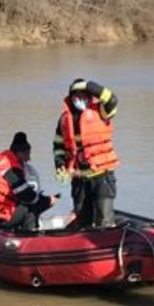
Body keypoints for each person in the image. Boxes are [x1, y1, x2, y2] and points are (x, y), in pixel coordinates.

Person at [53, 78, 120, 228]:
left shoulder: (101, 111)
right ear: (71, 97)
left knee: (104, 218)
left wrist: (89, 85)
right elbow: (58, 145)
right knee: (83, 219)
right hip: (79, 178)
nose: (81, 99)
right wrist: (59, 165)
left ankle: (107, 243)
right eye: (77, 96)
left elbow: (112, 99)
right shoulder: (64, 119)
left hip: (101, 176)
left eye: (84, 95)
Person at [0, 132, 58, 231]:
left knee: (28, 203)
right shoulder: (12, 169)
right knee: (31, 207)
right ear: (19, 153)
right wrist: (48, 200)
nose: (28, 159)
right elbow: (27, 196)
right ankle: (29, 236)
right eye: (27, 154)